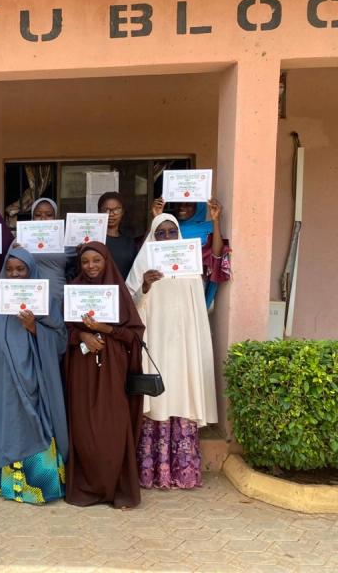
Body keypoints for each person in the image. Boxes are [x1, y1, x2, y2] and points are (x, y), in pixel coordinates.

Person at [126, 214, 218, 490]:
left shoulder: (189, 267)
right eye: (161, 233)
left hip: (184, 346)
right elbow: (129, 305)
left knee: (182, 393)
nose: (166, 237)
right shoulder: (144, 263)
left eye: (171, 232)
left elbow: (197, 309)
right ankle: (152, 473)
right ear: (152, 236)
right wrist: (145, 286)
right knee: (158, 398)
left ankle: (183, 473)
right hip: (156, 344)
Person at [0, 246, 68, 505]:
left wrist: (34, 327)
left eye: (21, 269)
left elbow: (60, 340)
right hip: (2, 380)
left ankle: (39, 485)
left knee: (33, 423)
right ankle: (4, 486)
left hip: (32, 378)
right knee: (5, 424)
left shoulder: (45, 299)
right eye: (10, 269)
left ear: (31, 271)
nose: (14, 274)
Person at [65, 242, 145, 509]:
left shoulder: (118, 291)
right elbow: (61, 330)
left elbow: (134, 334)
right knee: (83, 426)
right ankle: (87, 487)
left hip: (112, 368)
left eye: (96, 260)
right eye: (85, 261)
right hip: (82, 367)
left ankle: (116, 487)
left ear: (106, 261)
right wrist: (82, 335)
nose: (91, 266)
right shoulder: (74, 290)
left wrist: (104, 328)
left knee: (112, 425)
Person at [152, 197, 231, 310]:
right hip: (167, 284)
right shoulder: (169, 227)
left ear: (198, 207)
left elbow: (217, 256)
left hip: (193, 286)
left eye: (188, 204)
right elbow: (154, 251)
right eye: (178, 203)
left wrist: (216, 220)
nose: (181, 207)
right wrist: (158, 218)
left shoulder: (209, 228)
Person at [27, 197, 76, 304]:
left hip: (57, 294)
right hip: (29, 296)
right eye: (38, 215)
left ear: (56, 217)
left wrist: (82, 249)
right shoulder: (22, 239)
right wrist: (17, 252)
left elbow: (78, 264)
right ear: (32, 217)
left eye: (49, 215)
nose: (43, 219)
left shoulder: (66, 240)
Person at [98, 192, 138, 281]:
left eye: (116, 209)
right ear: (99, 211)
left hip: (123, 288)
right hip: (99, 289)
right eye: (106, 210)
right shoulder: (94, 240)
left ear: (122, 212)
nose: (111, 214)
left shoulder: (129, 242)